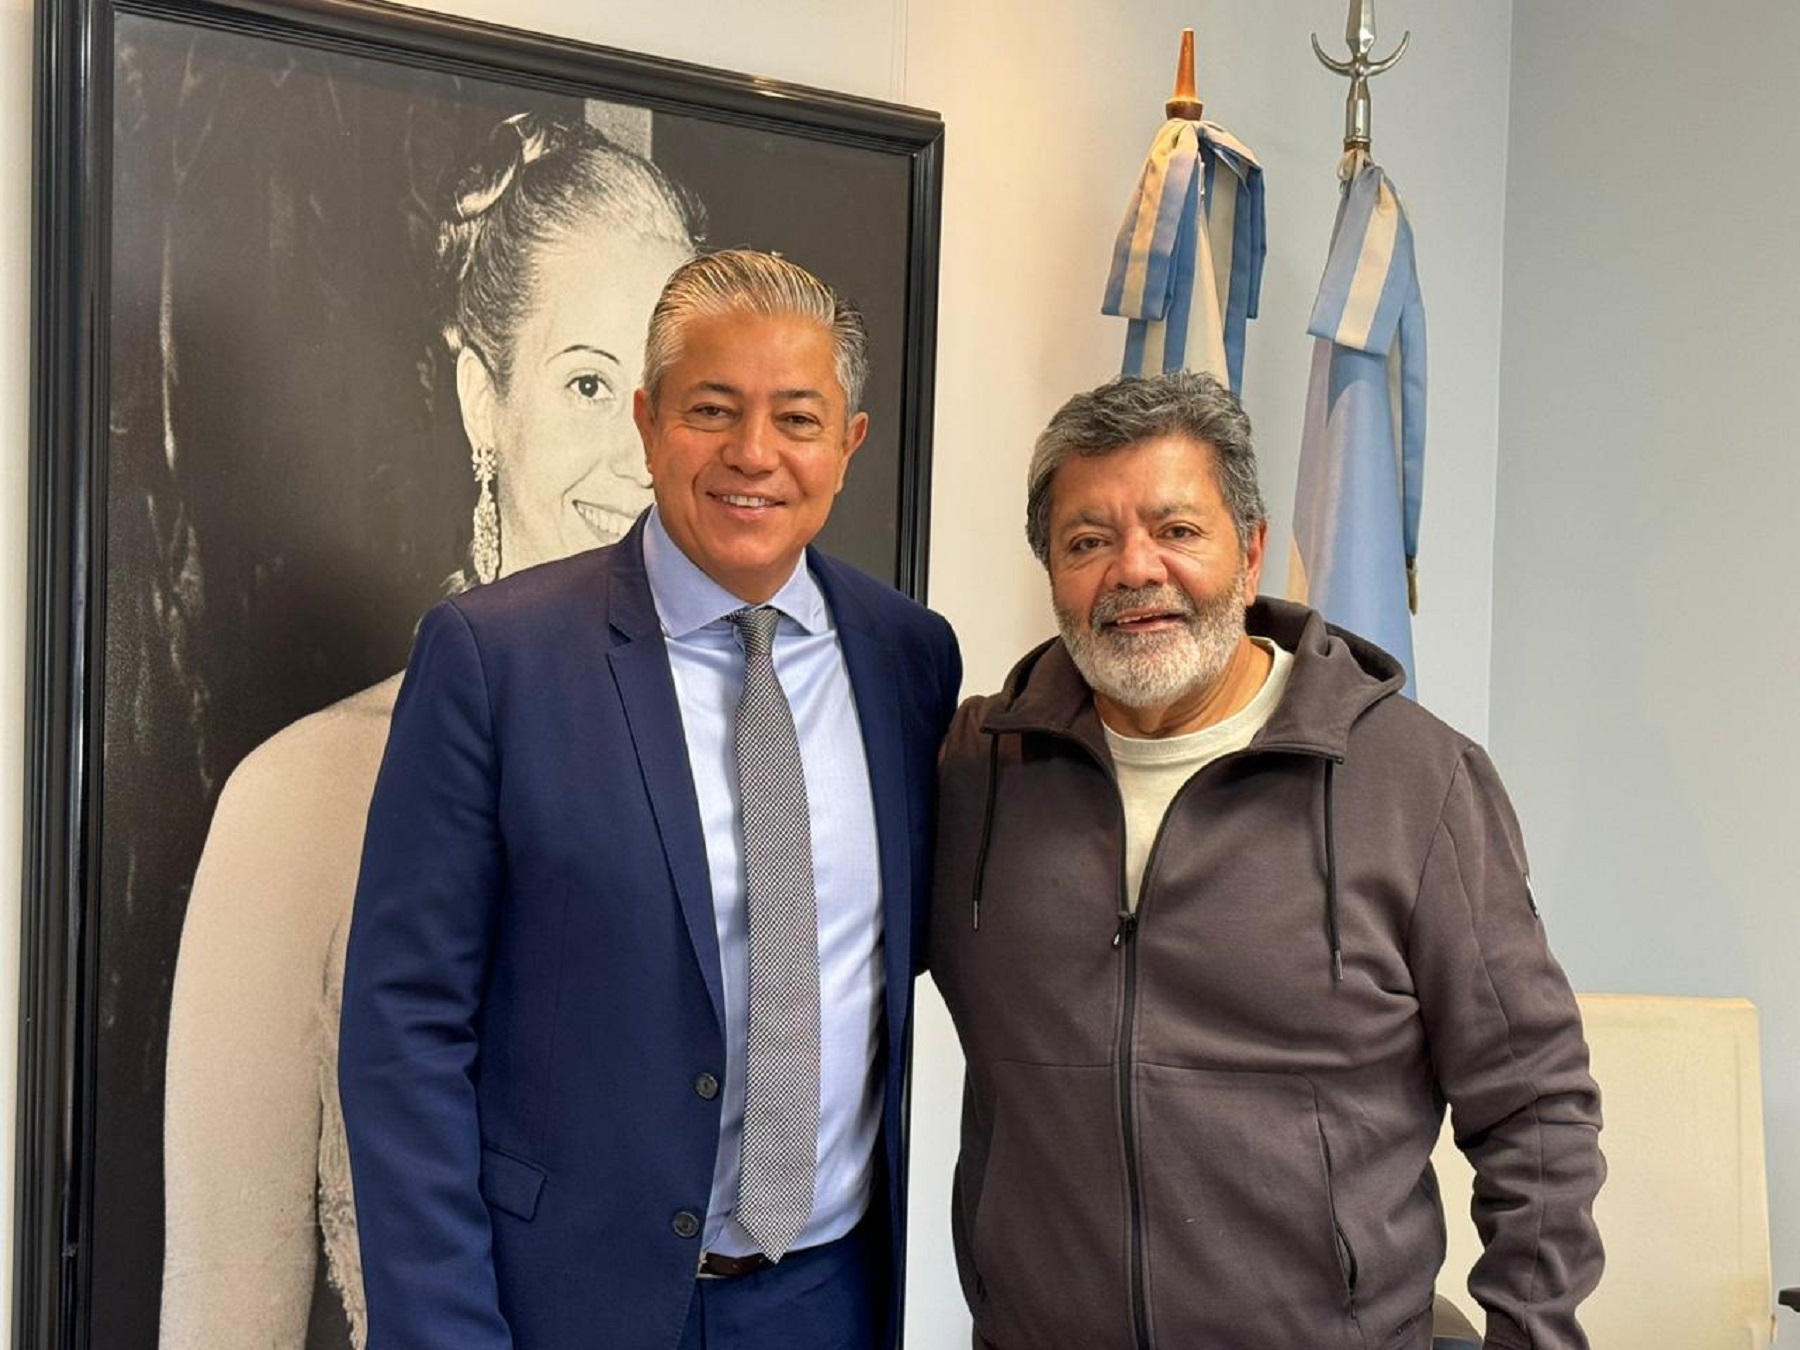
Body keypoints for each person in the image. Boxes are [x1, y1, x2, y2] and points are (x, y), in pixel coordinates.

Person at [338, 249, 962, 1350]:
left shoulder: (908, 659)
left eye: (798, 419)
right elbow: (404, 1029)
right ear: (647, 420)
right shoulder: (496, 659)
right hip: (559, 1302)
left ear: (850, 445)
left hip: (827, 1299)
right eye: (711, 410)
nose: (753, 455)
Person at [159, 113, 700, 1349]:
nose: (637, 453)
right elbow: (222, 1313)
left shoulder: (751, 771)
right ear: (479, 395)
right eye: (582, 382)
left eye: (668, 395)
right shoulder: (298, 801)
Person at [929, 370, 1604, 1349]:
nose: (1134, 569)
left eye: (1178, 530)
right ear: (1051, 572)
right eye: (1088, 540)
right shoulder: (973, 773)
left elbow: (1535, 1108)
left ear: (1249, 553)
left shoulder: (1418, 781)